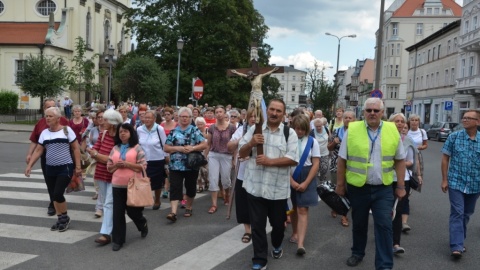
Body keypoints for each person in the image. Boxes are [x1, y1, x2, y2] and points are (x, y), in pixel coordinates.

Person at [335, 98, 406, 270]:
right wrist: (340, 184)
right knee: (359, 223)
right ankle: (357, 253)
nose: (372, 113)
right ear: (364, 112)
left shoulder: (392, 130)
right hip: (358, 187)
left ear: (382, 113)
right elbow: (342, 159)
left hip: (383, 187)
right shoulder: (352, 129)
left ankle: (384, 265)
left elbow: (400, 160)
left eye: (376, 110)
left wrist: (401, 186)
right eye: (369, 110)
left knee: (384, 225)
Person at [238, 98, 298, 270]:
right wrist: (251, 143)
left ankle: (277, 244)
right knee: (257, 226)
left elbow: (293, 159)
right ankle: (259, 259)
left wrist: (269, 161)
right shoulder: (254, 130)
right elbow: (241, 153)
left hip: (277, 190)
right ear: (267, 111)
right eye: (272, 109)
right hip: (255, 187)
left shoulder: (289, 133)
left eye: (279, 111)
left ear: (284, 114)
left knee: (278, 225)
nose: (274, 113)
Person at [25, 106, 81, 232]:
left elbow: (76, 148)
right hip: (50, 168)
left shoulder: (67, 130)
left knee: (57, 193)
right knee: (53, 195)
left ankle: (65, 218)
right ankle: (60, 218)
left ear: (58, 118)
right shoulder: (45, 133)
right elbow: (39, 150)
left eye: (50, 116)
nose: (47, 118)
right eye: (46, 116)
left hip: (65, 167)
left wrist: (78, 167)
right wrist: (29, 166)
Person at [441, 109, 480, 259]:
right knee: (457, 212)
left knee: (466, 213)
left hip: (475, 184)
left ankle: (459, 238)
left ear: (478, 122)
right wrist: (444, 179)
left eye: (469, 118)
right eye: (464, 117)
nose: (465, 120)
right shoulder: (454, 137)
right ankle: (456, 246)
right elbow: (445, 158)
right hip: (456, 182)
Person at [107, 123, 148, 251]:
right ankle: (118, 240)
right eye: (120, 132)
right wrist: (116, 166)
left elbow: (143, 166)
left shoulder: (137, 148)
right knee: (118, 213)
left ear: (131, 133)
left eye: (125, 131)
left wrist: (127, 164)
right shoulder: (115, 148)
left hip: (133, 185)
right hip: (117, 184)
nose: (122, 134)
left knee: (132, 211)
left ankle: (142, 223)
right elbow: (109, 167)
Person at [26, 98, 69, 216]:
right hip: (46, 157)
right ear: (44, 109)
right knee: (49, 182)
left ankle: (58, 199)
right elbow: (35, 140)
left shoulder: (64, 121)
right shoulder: (40, 123)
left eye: (53, 106)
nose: (50, 109)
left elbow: (72, 142)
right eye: (48, 107)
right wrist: (30, 154)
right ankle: (53, 202)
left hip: (62, 157)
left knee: (59, 183)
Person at [164, 107, 208, 222]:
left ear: (190, 118)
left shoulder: (195, 130)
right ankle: (173, 212)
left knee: (190, 187)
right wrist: (178, 148)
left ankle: (188, 207)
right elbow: (166, 147)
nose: (184, 119)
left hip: (191, 164)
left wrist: (193, 148)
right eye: (182, 116)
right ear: (178, 117)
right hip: (175, 165)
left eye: (186, 117)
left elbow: (204, 145)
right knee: (175, 187)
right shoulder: (174, 131)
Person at [86, 109, 123, 246]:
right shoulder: (103, 134)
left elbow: (114, 159)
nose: (102, 121)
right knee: (108, 203)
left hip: (116, 175)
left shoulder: (121, 137)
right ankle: (113, 227)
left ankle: (106, 233)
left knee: (108, 203)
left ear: (113, 122)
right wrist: (96, 154)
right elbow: (94, 150)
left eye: (106, 119)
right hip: (101, 173)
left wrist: (97, 155)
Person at [288, 114, 320, 256]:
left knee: (303, 209)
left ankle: (301, 243)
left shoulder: (313, 142)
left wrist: (306, 182)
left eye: (302, 129)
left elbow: (316, 164)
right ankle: (294, 232)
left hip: (307, 176)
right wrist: (291, 181)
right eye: (297, 128)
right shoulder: (287, 140)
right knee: (293, 208)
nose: (299, 131)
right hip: (289, 176)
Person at [388, 112, 417, 255]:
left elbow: (411, 161)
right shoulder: (383, 137)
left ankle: (395, 243)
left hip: (402, 179)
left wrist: (400, 163)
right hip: (386, 179)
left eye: (402, 121)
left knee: (398, 211)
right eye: (396, 121)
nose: (399, 123)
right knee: (385, 210)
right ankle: (383, 234)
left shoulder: (408, 140)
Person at [227, 109, 256, 244]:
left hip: (258, 173)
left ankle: (257, 225)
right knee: (243, 201)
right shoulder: (241, 130)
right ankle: (247, 230)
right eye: (251, 116)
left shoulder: (264, 131)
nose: (254, 119)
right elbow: (230, 146)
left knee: (256, 202)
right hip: (243, 172)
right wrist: (241, 139)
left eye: (256, 116)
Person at [206, 105, 237, 213]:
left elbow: (235, 144)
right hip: (214, 154)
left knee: (225, 179)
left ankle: (227, 193)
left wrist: (234, 159)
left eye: (221, 112)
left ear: (224, 114)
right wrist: (205, 157)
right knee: (213, 179)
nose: (218, 114)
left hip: (226, 155)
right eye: (217, 112)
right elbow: (208, 144)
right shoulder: (212, 128)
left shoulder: (232, 127)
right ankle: (214, 204)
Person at [327, 110, 356, 227]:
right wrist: (333, 142)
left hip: (352, 165)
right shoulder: (337, 131)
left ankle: (344, 216)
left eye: (350, 118)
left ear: (354, 119)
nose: (348, 120)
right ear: (343, 119)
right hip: (336, 164)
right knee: (337, 188)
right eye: (346, 118)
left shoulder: (358, 132)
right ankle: (336, 207)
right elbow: (329, 148)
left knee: (347, 191)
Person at [137, 110, 168, 210]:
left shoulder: (159, 129)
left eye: (149, 118)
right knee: (143, 181)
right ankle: (143, 200)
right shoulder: (139, 129)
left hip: (157, 158)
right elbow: (137, 144)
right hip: (143, 160)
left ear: (154, 119)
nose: (147, 120)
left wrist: (166, 156)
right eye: (145, 118)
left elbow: (164, 144)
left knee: (157, 182)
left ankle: (157, 199)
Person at [404, 114, 428, 232]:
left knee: (415, 179)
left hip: (417, 156)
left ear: (419, 122)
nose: (414, 122)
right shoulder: (406, 130)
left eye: (416, 120)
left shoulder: (422, 132)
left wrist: (419, 147)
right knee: (406, 178)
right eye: (412, 120)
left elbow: (425, 145)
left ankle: (407, 196)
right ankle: (405, 198)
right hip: (406, 156)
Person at [161, 106, 177, 198]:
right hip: (164, 149)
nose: (166, 116)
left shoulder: (176, 125)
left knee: (172, 170)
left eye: (168, 114)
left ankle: (168, 188)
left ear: (172, 115)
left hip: (173, 149)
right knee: (167, 170)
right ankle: (166, 188)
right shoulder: (162, 125)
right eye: (165, 114)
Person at [310, 118, 330, 183]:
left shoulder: (326, 129)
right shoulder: (312, 132)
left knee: (324, 168)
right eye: (317, 126)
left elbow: (330, 138)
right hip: (316, 154)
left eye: (320, 126)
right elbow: (310, 143)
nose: (318, 128)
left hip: (325, 152)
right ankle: (316, 182)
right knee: (316, 169)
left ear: (322, 125)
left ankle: (322, 178)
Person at [195, 117, 209, 192]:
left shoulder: (208, 131)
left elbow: (209, 142)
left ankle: (206, 181)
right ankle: (200, 185)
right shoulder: (194, 131)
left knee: (206, 171)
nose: (199, 126)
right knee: (198, 171)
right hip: (197, 153)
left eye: (201, 124)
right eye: (198, 124)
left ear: (204, 124)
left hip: (206, 153)